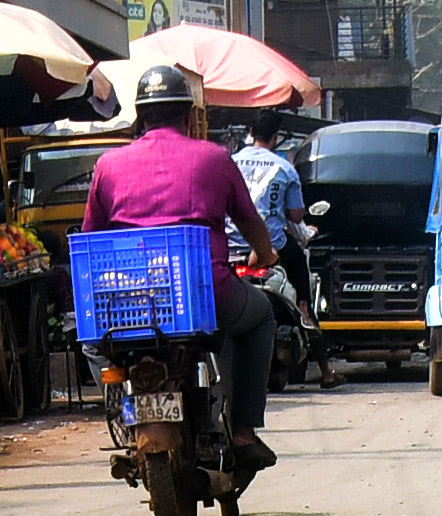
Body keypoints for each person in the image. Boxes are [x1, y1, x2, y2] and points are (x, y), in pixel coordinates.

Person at [80, 62, 283, 464]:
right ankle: (244, 431)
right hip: (204, 294)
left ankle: (127, 419)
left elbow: (91, 236)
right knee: (262, 317)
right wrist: (265, 253)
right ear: (188, 116)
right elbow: (249, 222)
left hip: (130, 301)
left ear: (140, 117)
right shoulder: (215, 158)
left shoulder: (108, 165)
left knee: (93, 343)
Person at [231, 117, 313, 312]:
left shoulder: (230, 162)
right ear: (275, 138)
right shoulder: (285, 168)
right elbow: (296, 215)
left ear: (251, 133)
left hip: (231, 244)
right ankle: (305, 310)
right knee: (299, 260)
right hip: (272, 244)